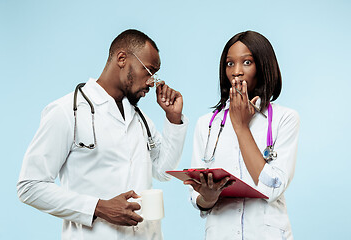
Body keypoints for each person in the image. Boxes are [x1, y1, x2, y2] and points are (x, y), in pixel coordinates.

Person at [17, 29, 188, 240]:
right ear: (122, 58)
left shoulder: (140, 119)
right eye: (149, 71)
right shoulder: (67, 112)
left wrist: (173, 118)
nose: (152, 82)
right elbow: (30, 186)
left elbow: (162, 171)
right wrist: (98, 207)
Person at [184, 30, 300, 239]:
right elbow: (196, 197)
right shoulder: (206, 125)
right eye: (230, 64)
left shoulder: (285, 119)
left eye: (247, 62)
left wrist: (240, 126)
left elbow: (272, 189)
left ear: (263, 67)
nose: (236, 71)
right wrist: (207, 198)